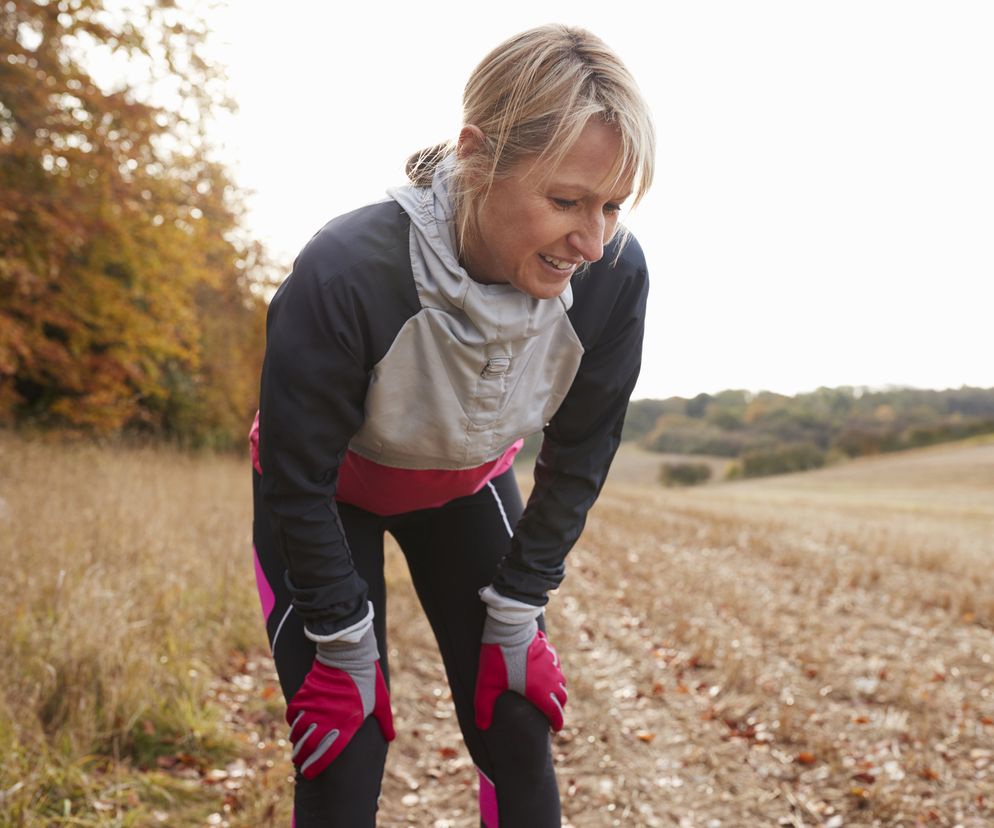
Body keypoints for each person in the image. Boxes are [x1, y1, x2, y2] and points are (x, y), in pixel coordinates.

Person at [250, 23, 655, 828]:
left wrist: (520, 606)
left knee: (516, 724)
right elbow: (299, 478)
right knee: (346, 741)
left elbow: (579, 456)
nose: (593, 238)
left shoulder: (613, 274)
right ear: (477, 154)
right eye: (567, 201)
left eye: (612, 205)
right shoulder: (346, 270)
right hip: (327, 494)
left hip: (467, 487)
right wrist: (340, 636)